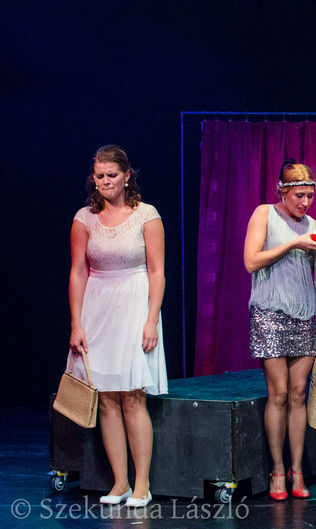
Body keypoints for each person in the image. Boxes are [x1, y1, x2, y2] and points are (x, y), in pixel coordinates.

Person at [68, 145, 167, 508]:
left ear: (127, 176)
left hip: (135, 304)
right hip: (98, 307)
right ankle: (120, 482)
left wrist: (151, 319)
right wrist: (77, 323)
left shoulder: (147, 215)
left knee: (133, 397)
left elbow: (157, 272)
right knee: (107, 398)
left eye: (112, 175)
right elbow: (78, 272)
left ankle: (142, 484)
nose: (106, 181)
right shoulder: (85, 218)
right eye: (100, 176)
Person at [243, 160, 316, 501]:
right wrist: (293, 244)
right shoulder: (264, 214)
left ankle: (297, 469)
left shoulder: (313, 225)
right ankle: (277, 469)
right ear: (282, 191)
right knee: (279, 393)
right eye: (299, 195)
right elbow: (251, 261)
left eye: (309, 196)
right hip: (270, 314)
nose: (305, 202)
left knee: (299, 393)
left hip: (304, 316)